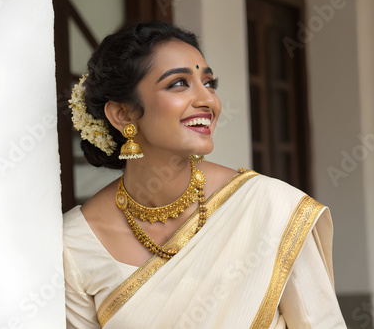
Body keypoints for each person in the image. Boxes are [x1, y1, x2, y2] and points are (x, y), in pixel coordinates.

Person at [63, 20, 347, 328]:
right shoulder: (77, 243)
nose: (208, 101)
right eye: (179, 84)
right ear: (123, 114)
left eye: (209, 83)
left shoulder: (271, 208)